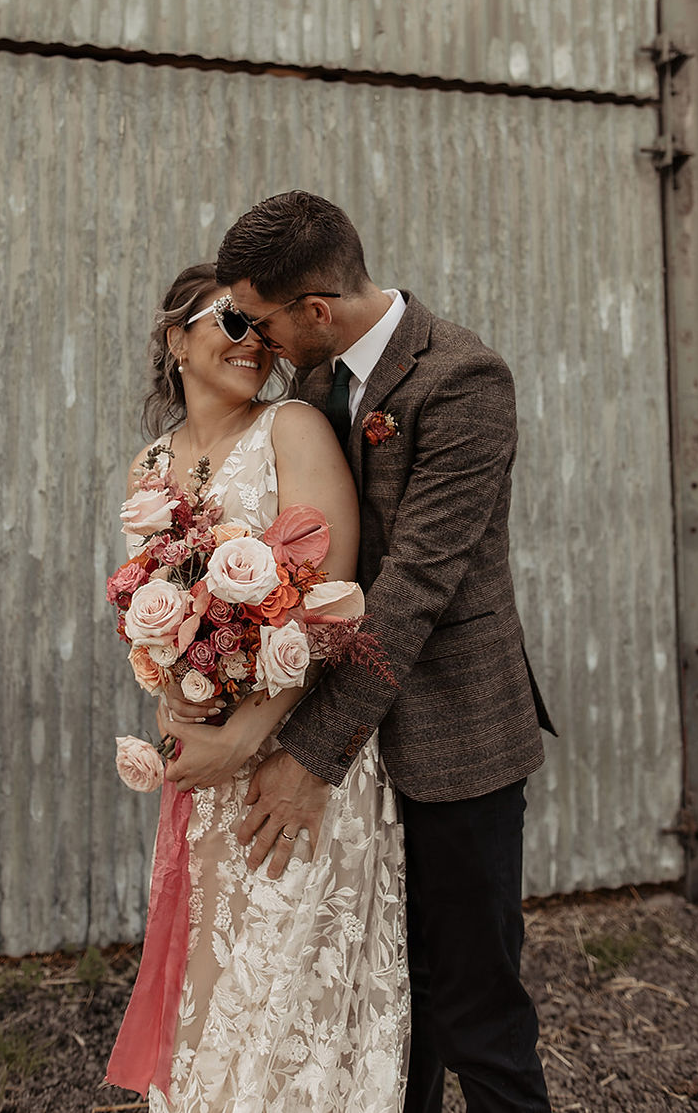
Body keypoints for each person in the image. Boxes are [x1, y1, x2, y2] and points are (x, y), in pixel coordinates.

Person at [213, 193, 556, 1113]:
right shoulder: (317, 386)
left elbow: (414, 592)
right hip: (360, 755)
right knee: (384, 1011)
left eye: (263, 319)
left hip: (456, 738)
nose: (255, 339)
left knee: (474, 1008)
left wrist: (308, 757)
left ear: (317, 311)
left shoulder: (465, 379)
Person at [106, 262, 410, 1113]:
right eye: (231, 324)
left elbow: (332, 601)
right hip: (208, 768)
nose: (255, 344)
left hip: (303, 758)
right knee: (214, 994)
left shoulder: (293, 428)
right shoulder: (150, 465)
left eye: (261, 329)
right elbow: (148, 605)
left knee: (289, 998)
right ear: (177, 340)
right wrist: (173, 691)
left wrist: (252, 728)